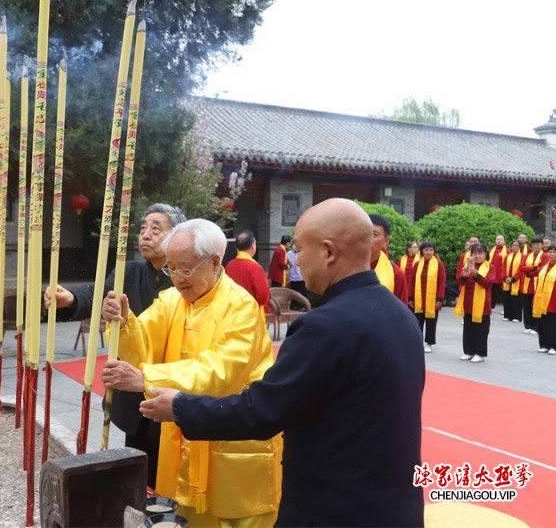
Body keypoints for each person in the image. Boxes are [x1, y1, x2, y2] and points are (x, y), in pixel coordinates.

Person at [139, 199, 425, 527]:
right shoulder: (401, 315)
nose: (297, 262)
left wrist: (181, 407)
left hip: (334, 510)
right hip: (393, 508)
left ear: (329, 252)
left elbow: (261, 411)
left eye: (300, 250)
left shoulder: (324, 327)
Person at [101, 219, 282, 527]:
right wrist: (124, 322)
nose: (177, 280)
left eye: (185, 269)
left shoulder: (241, 307)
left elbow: (220, 372)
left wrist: (147, 379)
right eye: (171, 269)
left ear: (214, 262)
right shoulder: (172, 300)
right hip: (185, 439)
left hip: (233, 441)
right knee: (184, 516)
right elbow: (143, 339)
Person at [44, 203, 185, 488]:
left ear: (177, 235)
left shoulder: (186, 277)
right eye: (143, 228)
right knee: (139, 458)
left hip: (172, 379)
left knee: (173, 467)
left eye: (155, 229)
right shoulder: (129, 271)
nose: (145, 234)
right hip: (133, 388)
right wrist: (70, 298)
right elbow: (98, 294)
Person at [456, 243, 496, 363]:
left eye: (480, 253)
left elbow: (488, 283)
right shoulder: (467, 265)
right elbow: (460, 281)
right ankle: (468, 351)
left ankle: (480, 353)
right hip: (468, 301)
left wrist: (476, 274)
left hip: (482, 304)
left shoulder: (490, 267)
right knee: (468, 328)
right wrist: (464, 275)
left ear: (485, 255)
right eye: (475, 253)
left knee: (481, 329)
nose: (478, 256)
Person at [532, 244, 556, 355]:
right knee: (542, 324)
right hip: (541, 300)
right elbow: (538, 284)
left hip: (554, 302)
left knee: (553, 326)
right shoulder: (544, 267)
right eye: (550, 252)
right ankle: (544, 344)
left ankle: (555, 346)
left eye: (555, 252)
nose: (552, 254)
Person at [411, 241, 446, 353]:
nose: (429, 252)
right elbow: (412, 282)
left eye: (431, 250)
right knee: (417, 321)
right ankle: (417, 341)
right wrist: (410, 298)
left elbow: (441, 282)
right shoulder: (417, 265)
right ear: (422, 252)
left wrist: (439, 299)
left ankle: (429, 343)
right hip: (419, 298)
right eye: (426, 250)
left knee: (431, 322)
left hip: (432, 299)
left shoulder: (439, 264)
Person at [368, 214, 408, 303]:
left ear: (386, 241)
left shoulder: (396, 274)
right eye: (365, 233)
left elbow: (401, 313)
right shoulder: (345, 267)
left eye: (374, 234)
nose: (368, 238)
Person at [225, 230, 270, 308]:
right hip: (250, 312)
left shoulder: (229, 265)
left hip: (232, 311)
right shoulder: (255, 267)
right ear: (253, 245)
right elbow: (263, 296)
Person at [517, 237, 547, 335]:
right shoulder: (527, 256)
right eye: (534, 244)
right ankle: (528, 325)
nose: (535, 246)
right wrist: (533, 268)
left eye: (538, 244)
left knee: (536, 305)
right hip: (527, 284)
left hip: (538, 284)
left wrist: (530, 273)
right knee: (527, 305)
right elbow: (521, 267)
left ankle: (536, 326)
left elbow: (542, 269)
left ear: (542, 245)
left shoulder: (545, 256)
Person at [502, 240, 524, 323]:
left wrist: (514, 278)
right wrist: (505, 277)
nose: (514, 247)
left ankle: (516, 316)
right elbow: (503, 268)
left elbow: (521, 269)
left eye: (516, 245)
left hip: (517, 281)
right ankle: (507, 315)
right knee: (507, 298)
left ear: (519, 247)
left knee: (516, 299)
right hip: (507, 280)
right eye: (513, 245)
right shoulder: (507, 256)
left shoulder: (522, 257)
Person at [489, 235, 507, 308]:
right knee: (492, 292)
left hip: (501, 275)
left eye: (501, 239)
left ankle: (505, 308)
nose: (499, 240)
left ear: (504, 241)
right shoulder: (491, 250)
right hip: (492, 274)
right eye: (497, 239)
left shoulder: (507, 251)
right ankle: (490, 306)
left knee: (503, 293)